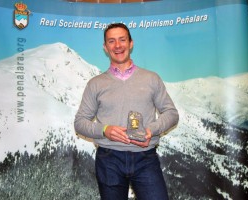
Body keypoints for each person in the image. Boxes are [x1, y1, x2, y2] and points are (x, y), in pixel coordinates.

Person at [74, 23, 179, 200]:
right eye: (111, 41)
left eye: (122, 40)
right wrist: (104, 130)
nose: (117, 45)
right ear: (105, 47)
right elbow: (80, 122)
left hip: (145, 158)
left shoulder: (151, 78)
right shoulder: (95, 84)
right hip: (109, 159)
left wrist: (151, 130)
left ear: (131, 43)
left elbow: (171, 113)